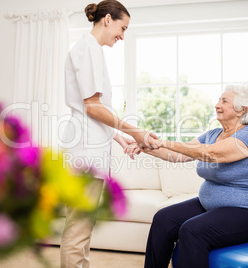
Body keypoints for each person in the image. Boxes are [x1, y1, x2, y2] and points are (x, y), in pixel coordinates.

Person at [126, 84, 248, 268]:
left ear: (241, 110)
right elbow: (178, 155)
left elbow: (211, 154)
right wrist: (145, 147)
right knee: (163, 219)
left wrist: (162, 142)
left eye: (224, 101)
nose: (217, 104)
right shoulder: (213, 134)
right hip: (213, 206)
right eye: (218, 100)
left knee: (192, 231)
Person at [61, 1, 159, 267]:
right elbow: (92, 108)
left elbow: (91, 110)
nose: (122, 36)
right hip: (85, 152)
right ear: (107, 19)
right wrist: (136, 131)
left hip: (89, 146)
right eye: (122, 28)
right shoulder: (88, 50)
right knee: (79, 229)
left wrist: (118, 136)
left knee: (82, 226)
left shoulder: (91, 49)